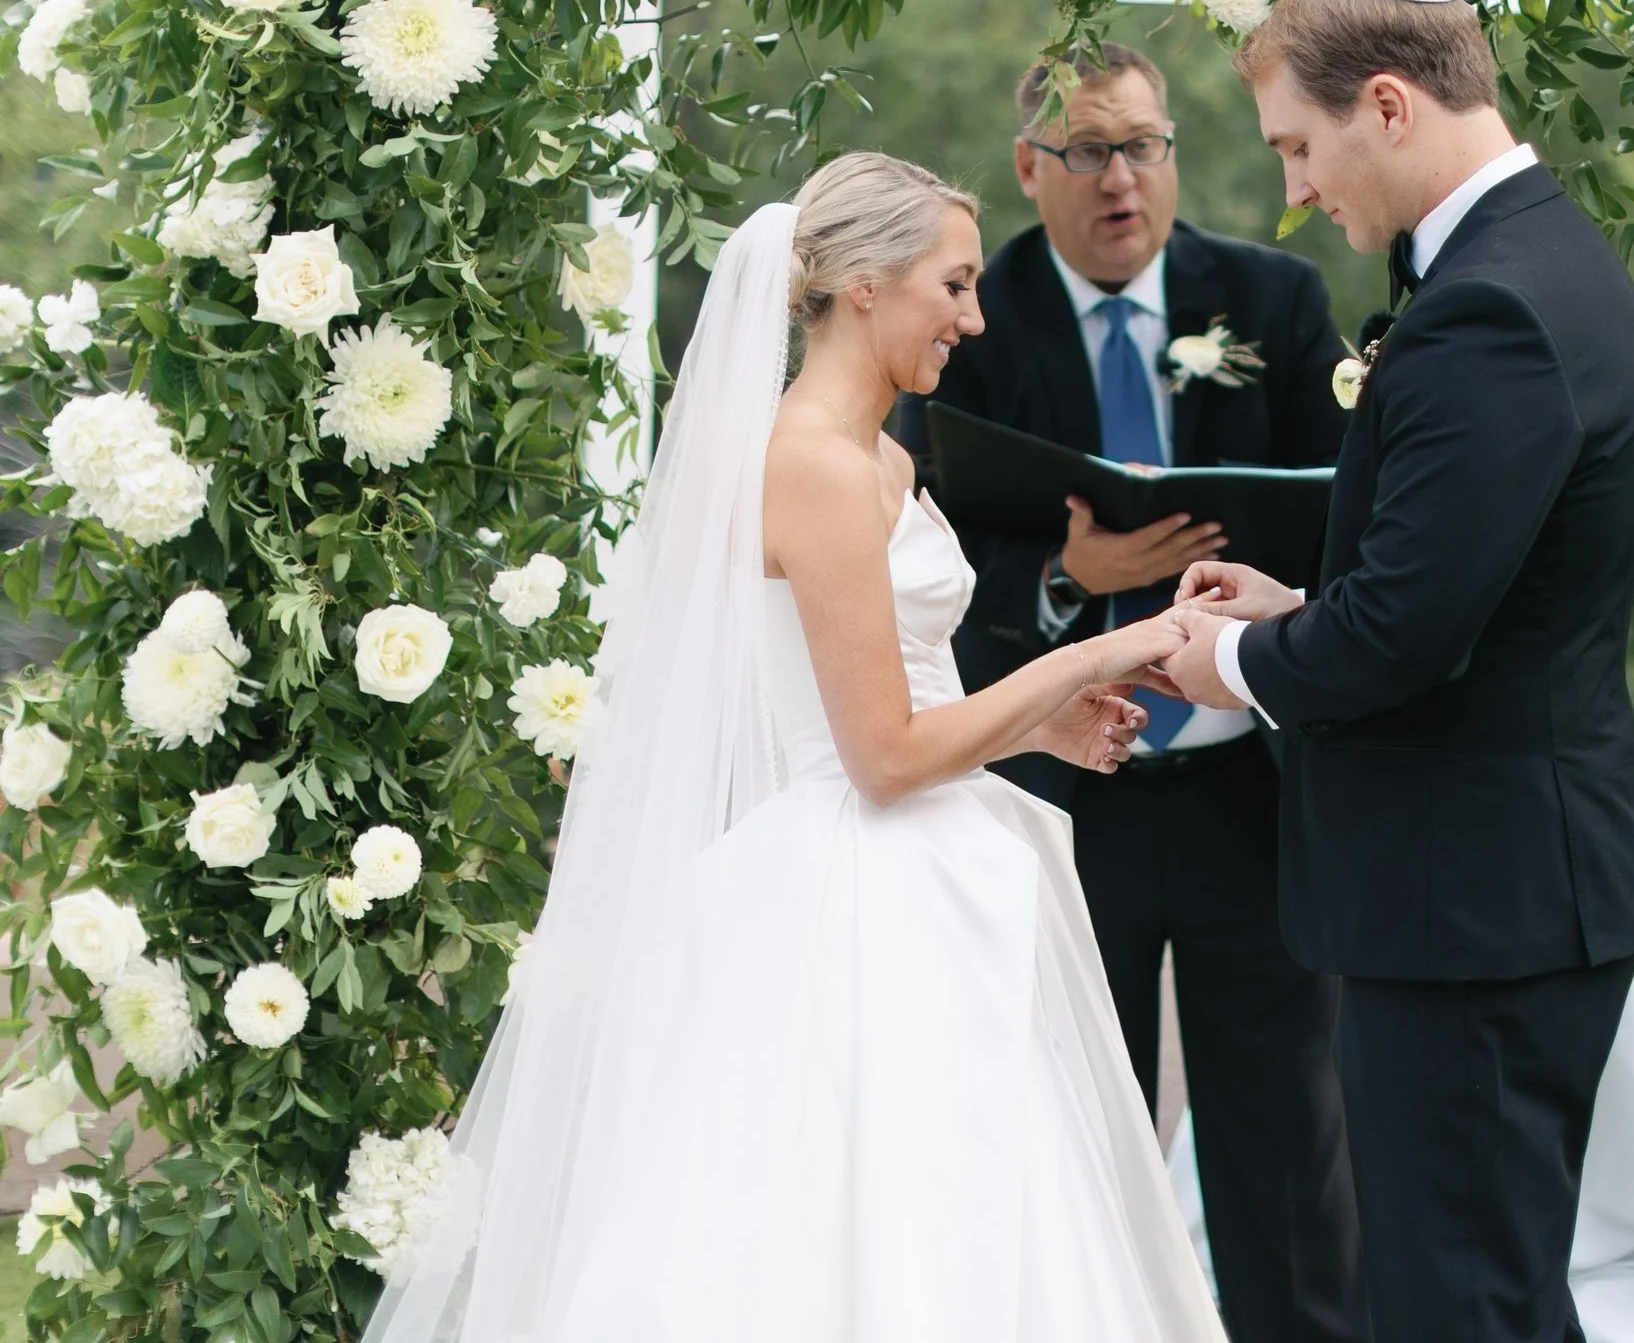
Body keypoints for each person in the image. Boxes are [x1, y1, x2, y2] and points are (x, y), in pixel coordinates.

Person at [363, 155, 1226, 1343]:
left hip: (940, 864)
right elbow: (876, 754)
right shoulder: (814, 465)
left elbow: (892, 679)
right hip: (858, 894)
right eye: (956, 285)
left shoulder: (882, 456)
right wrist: (1078, 662)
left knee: (977, 1219)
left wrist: (1037, 721)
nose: (975, 318)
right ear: (864, 286)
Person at [1158, 0, 1634, 1343]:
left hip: (1473, 901)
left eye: (1298, 145)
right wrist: (1295, 608)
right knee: (1479, 1292)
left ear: (1386, 104)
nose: (1295, 188)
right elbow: (1451, 583)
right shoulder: (1530, 262)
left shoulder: (1492, 309)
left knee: (1457, 1305)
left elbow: (1407, 632)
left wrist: (1231, 664)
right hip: (1488, 884)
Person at [902, 42, 1365, 1343]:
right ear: (1029, 169)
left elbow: (1352, 513)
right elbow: (911, 535)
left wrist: (1254, 582)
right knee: (1061, 1123)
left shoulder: (1269, 299)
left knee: (1287, 1139)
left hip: (1245, 783)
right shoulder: (965, 317)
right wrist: (1064, 568)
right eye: (1090, 151)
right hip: (1056, 790)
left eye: (1145, 145)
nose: (1122, 180)